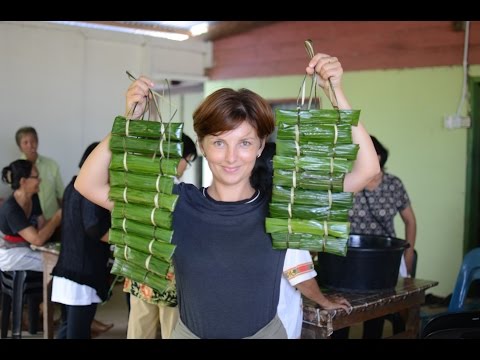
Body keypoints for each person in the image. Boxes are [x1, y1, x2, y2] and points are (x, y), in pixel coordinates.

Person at [75, 52, 380, 338]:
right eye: (219, 142)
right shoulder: (176, 204)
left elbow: (367, 170)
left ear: (260, 146)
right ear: (202, 144)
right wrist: (128, 119)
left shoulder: (283, 205)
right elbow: (87, 183)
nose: (232, 157)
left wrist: (335, 93)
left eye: (245, 143)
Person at [334, 135, 417, 339]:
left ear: (377, 157)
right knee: (344, 306)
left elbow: (410, 221)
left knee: (377, 311)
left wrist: (408, 253)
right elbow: (333, 214)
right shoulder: (349, 181)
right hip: (350, 257)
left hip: (383, 258)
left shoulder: (393, 184)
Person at [124, 133, 198, 339]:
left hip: (141, 270)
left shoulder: (142, 183)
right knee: (172, 331)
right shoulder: (178, 191)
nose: (185, 167)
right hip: (170, 277)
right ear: (178, 156)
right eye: (188, 161)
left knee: (139, 330)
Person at [50, 142, 113, 339]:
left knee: (67, 328)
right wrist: (124, 239)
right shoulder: (89, 192)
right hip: (82, 274)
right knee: (78, 333)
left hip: (69, 269)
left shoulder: (73, 185)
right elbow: (94, 228)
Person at [0, 160, 62, 271]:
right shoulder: (11, 208)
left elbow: (41, 227)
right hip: (9, 253)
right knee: (56, 262)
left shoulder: (33, 196)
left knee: (61, 256)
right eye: (36, 177)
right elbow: (37, 239)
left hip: (26, 247)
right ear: (23, 181)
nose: (39, 180)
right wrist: (57, 217)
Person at [15, 127, 64, 222]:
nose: (30, 145)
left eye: (33, 141)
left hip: (53, 219)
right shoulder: (15, 169)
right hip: (27, 222)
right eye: (25, 142)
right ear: (20, 147)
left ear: (37, 141)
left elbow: (61, 194)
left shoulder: (51, 164)